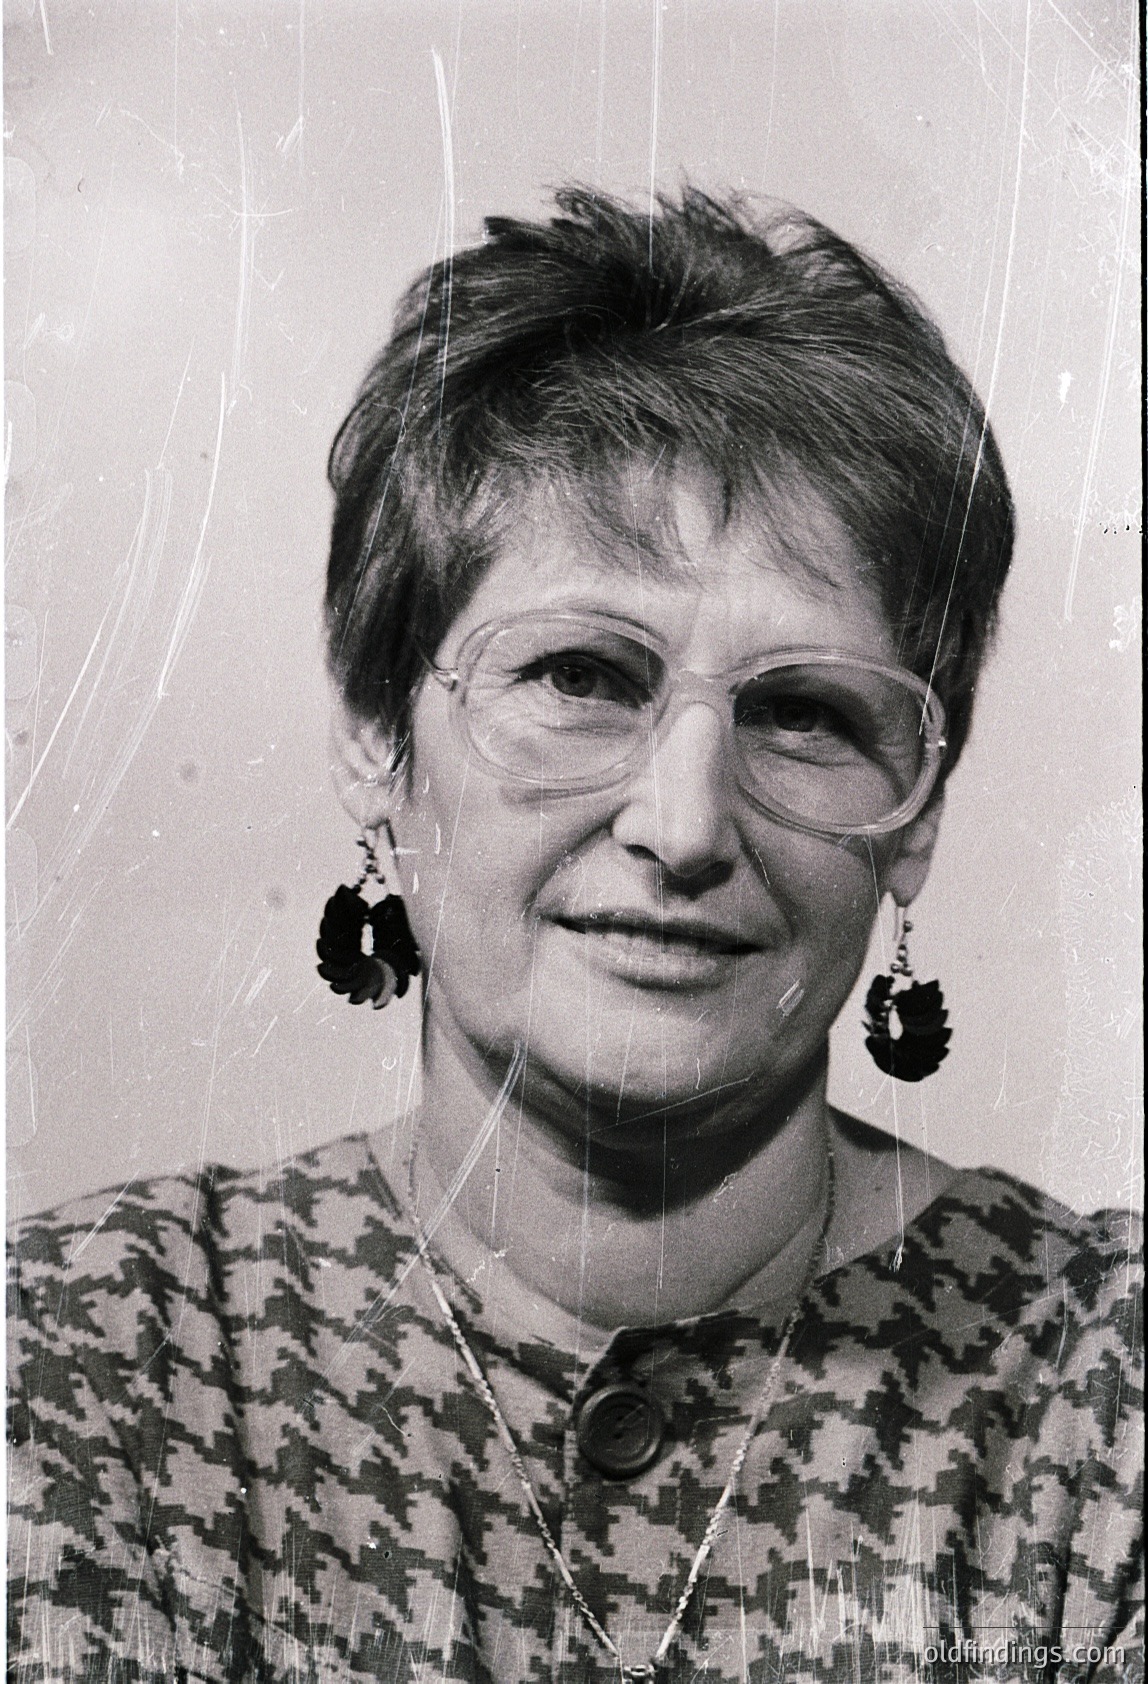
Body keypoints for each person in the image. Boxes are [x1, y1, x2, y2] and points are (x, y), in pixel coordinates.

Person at [8, 188, 1142, 1684]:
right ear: (376, 734)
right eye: (581, 677)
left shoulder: (1101, 1396)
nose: (684, 824)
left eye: (805, 714)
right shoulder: (81, 1359)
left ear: (917, 810)